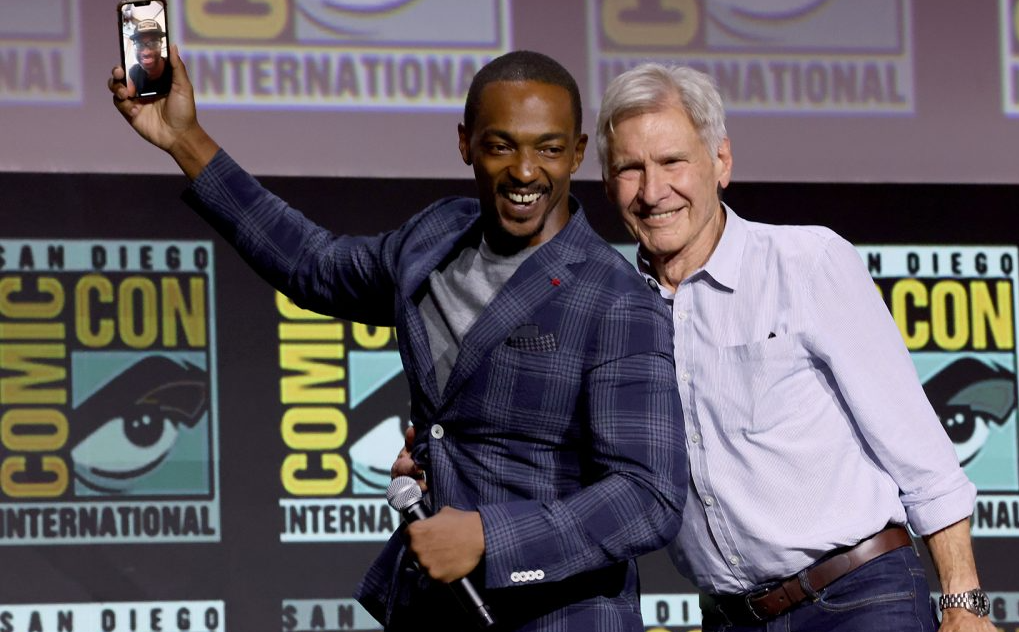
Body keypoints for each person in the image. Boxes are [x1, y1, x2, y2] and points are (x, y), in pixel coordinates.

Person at [108, 48, 688, 632]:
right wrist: (185, 138)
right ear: (465, 144)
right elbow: (315, 265)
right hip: (434, 609)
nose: (526, 170)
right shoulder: (434, 237)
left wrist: (489, 537)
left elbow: (649, 496)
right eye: (501, 145)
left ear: (578, 153)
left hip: (560, 618)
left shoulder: (617, 300)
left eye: (549, 148)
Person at [593, 63, 998, 632]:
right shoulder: (610, 311)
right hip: (730, 618)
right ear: (608, 183)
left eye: (672, 162)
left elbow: (918, 447)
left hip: (858, 602)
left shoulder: (806, 264)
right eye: (630, 169)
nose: (654, 191)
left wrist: (965, 601)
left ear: (721, 162)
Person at [126, 19, 171, 97]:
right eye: (139, 45)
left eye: (154, 43)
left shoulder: (174, 68)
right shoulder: (133, 72)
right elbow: (129, 100)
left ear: (161, 44)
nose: (146, 53)